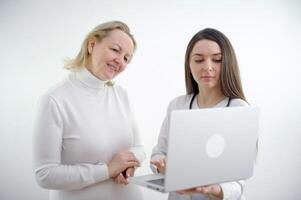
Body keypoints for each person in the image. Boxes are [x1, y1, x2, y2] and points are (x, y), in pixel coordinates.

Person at [33, 21, 145, 200]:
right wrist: (107, 170)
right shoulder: (54, 100)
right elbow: (45, 175)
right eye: (115, 50)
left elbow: (138, 147)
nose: (120, 61)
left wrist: (127, 164)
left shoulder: (121, 95)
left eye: (126, 58)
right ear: (92, 45)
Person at [151, 28, 248, 200]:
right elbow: (159, 153)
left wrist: (212, 189)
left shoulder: (239, 110)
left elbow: (238, 184)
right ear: (189, 64)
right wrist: (162, 165)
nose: (207, 67)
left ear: (228, 64)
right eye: (199, 60)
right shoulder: (177, 105)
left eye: (217, 60)